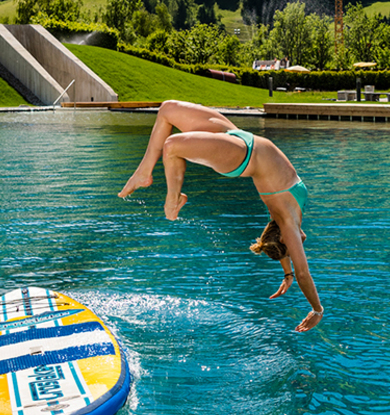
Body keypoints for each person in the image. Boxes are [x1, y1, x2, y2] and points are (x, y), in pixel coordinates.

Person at [117, 100, 323, 332]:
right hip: (238, 136)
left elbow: (304, 274)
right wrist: (287, 274)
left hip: (240, 155)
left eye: (292, 249)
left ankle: (171, 201)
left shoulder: (287, 221)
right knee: (167, 110)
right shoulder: (286, 216)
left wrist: (317, 310)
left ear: (285, 238)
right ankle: (145, 171)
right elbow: (291, 260)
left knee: (172, 145)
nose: (299, 250)